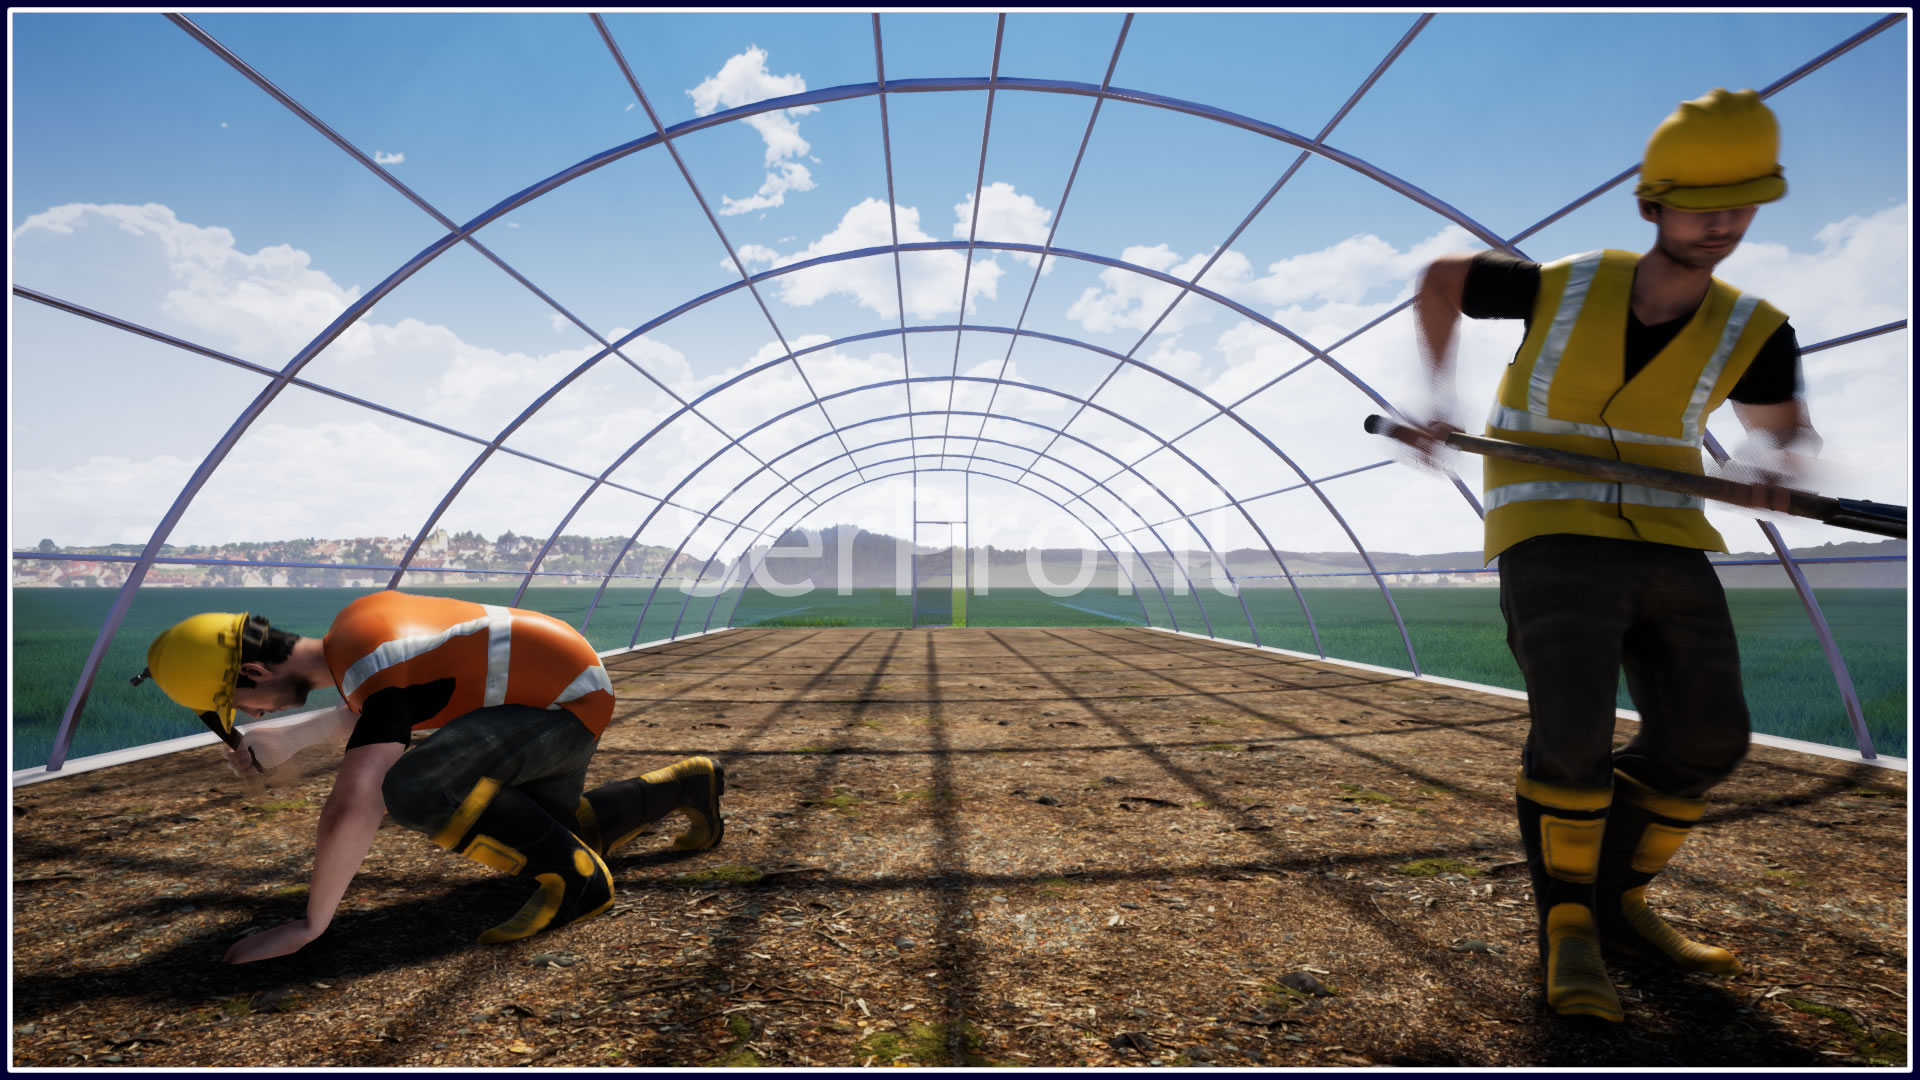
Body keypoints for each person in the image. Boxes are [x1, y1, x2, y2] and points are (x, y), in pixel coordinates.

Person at [1406, 89, 1821, 1023]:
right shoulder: (1562, 284)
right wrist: (1438, 396)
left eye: (1742, 201)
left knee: (1710, 739)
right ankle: (1570, 931)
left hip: (1672, 536)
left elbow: (1785, 430)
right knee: (1576, 728)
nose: (1720, 221)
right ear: (1653, 205)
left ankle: (1618, 905)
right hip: (1550, 528)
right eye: (1699, 201)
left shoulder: (1753, 328)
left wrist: (1774, 464)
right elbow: (1441, 277)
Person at [133, 591, 727, 963]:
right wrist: (290, 740)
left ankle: (580, 884)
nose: (250, 717)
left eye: (240, 706)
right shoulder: (356, 640)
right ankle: (686, 784)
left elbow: (356, 798)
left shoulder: (368, 657)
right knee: (556, 829)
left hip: (556, 708)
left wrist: (310, 924)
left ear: (257, 671)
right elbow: (386, 702)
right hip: (562, 694)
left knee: (411, 786)